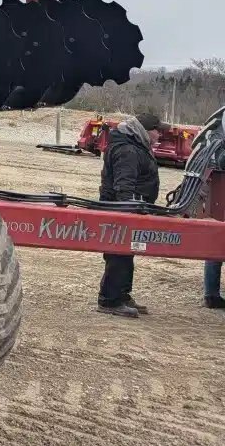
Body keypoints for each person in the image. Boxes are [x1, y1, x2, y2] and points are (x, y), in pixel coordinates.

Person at [97, 112, 161, 318]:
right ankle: (110, 300)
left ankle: (122, 295)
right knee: (118, 252)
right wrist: (128, 213)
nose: (160, 135)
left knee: (127, 252)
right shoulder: (128, 150)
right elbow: (124, 186)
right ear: (146, 131)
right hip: (122, 210)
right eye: (157, 131)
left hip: (131, 208)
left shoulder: (134, 145)